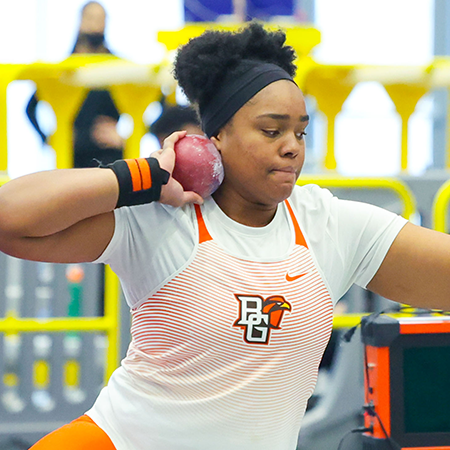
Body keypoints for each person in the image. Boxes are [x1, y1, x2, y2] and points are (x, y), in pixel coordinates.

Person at [0, 21, 449, 450]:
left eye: (300, 131)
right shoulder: (160, 219)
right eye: (271, 130)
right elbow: (9, 219)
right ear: (214, 137)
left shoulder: (327, 224)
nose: (292, 146)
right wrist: (141, 176)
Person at [26, 1, 124, 168]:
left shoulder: (120, 68)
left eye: (101, 19)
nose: (96, 26)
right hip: (73, 158)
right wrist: (49, 139)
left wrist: (126, 137)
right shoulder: (64, 70)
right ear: (81, 21)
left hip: (110, 158)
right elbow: (30, 108)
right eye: (91, 18)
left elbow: (160, 103)